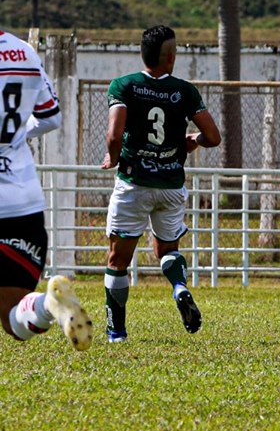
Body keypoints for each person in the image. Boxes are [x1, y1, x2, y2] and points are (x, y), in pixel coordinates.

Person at [100, 25, 221, 343]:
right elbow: (213, 137)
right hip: (170, 186)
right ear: (170, 57)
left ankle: (117, 332)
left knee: (118, 260)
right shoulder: (185, 91)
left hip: (134, 184)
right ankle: (179, 288)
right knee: (167, 250)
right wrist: (190, 140)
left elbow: (114, 134)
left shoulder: (124, 86)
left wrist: (112, 156)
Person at [0, 29, 93, 351]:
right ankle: (48, 304)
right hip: (22, 202)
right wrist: (16, 138)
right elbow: (50, 117)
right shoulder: (22, 52)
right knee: (13, 318)